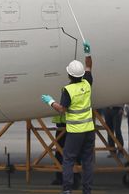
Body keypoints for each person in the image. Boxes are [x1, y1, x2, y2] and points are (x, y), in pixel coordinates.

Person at [42, 41, 94, 194]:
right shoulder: (87, 84)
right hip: (89, 130)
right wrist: (88, 54)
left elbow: (62, 110)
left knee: (68, 160)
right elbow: (89, 66)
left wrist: (50, 101)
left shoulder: (68, 90)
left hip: (75, 131)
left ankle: (67, 189)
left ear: (69, 75)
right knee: (87, 162)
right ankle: (87, 190)